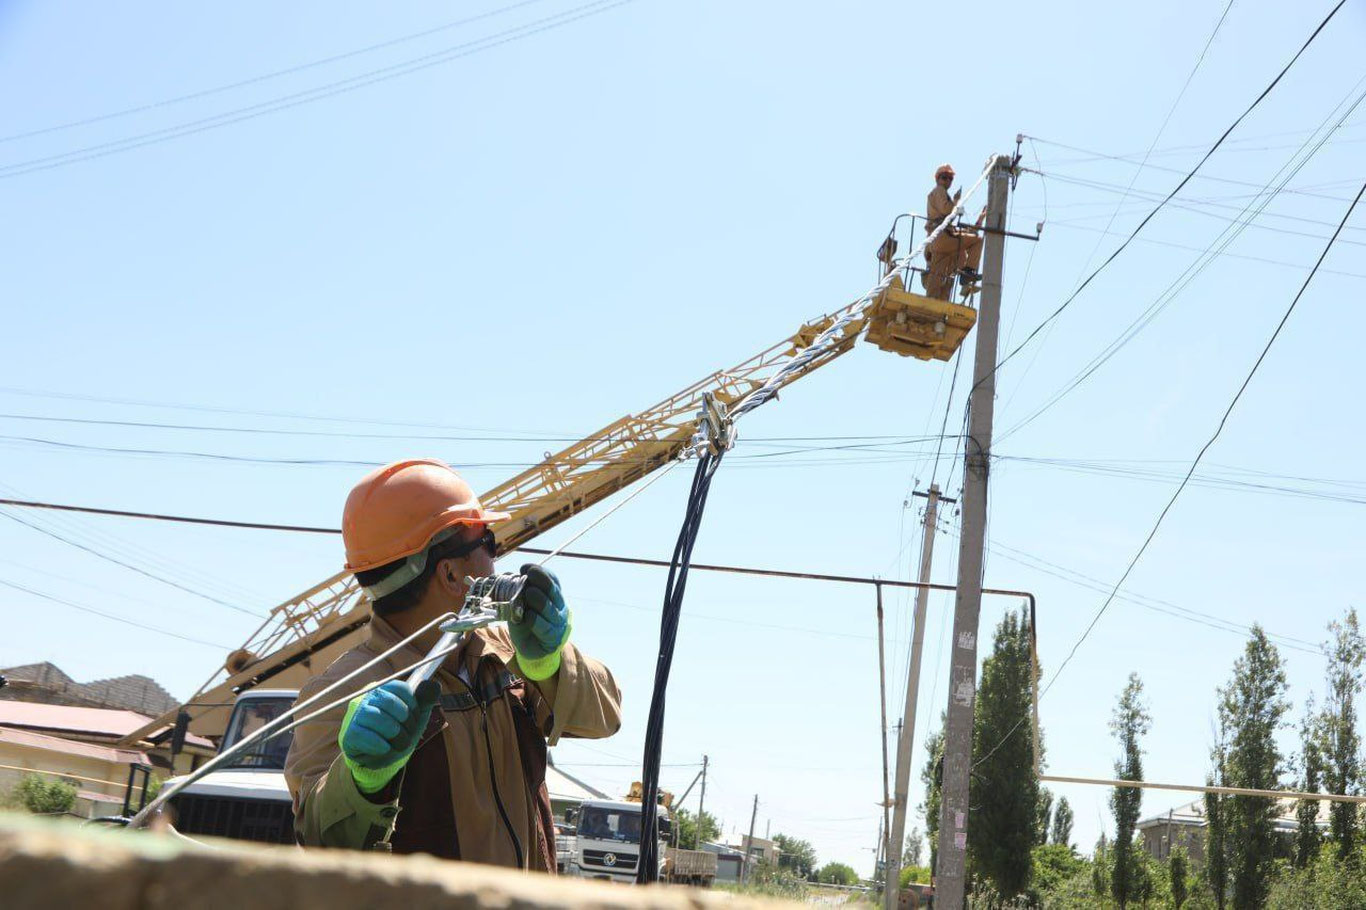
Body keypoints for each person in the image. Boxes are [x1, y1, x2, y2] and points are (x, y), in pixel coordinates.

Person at [284, 458, 622, 871]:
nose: (497, 560)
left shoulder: (506, 650)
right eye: (489, 542)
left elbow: (606, 717)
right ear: (451, 575)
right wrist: (360, 781)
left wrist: (551, 663)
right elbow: (320, 843)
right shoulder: (343, 690)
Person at [923, 163, 984, 300]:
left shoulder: (938, 193)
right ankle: (967, 273)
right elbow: (946, 210)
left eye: (950, 178)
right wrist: (956, 201)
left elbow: (954, 227)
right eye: (945, 177)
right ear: (938, 179)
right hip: (942, 237)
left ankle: (933, 304)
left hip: (938, 240)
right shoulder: (939, 190)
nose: (948, 181)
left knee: (940, 275)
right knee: (977, 241)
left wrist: (979, 220)